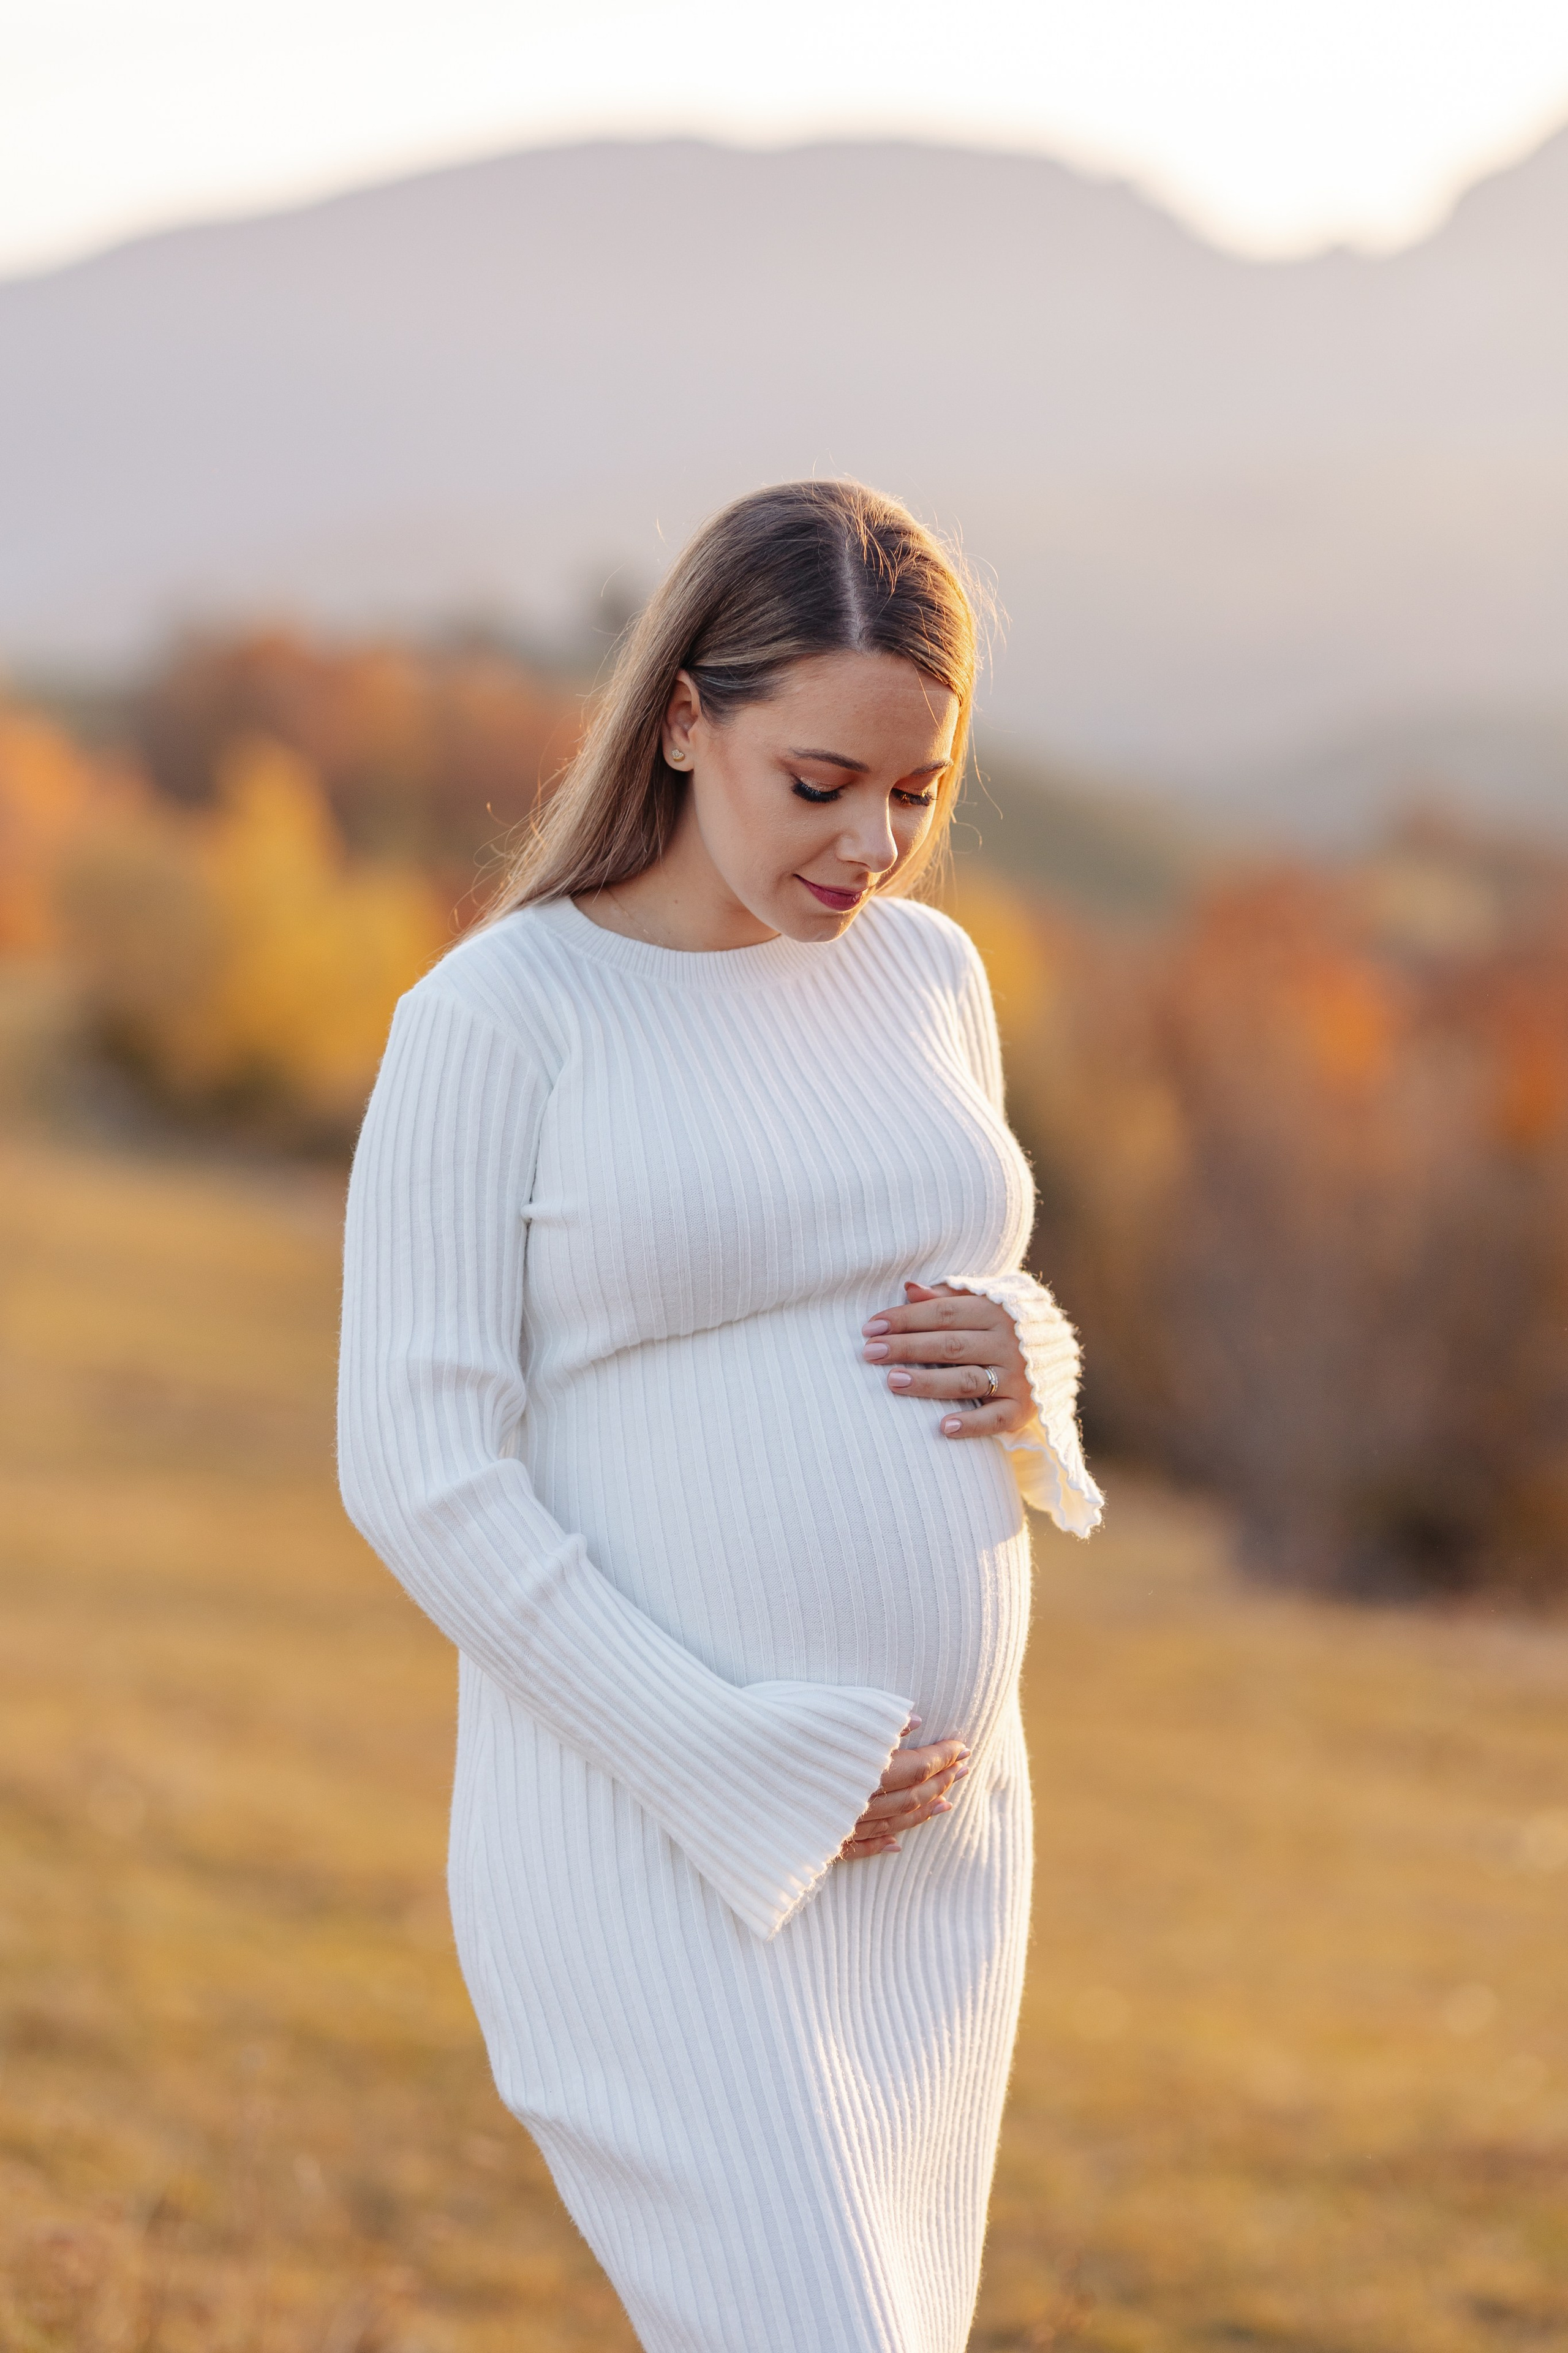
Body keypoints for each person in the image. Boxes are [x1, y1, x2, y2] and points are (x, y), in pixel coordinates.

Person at [337, 478, 1102, 2353]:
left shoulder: (929, 979)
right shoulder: (503, 1015)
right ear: (687, 720)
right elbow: (420, 1471)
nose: (874, 845)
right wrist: (738, 1758)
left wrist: (1032, 1356)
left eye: (917, 794)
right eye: (821, 780)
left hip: (934, 1852)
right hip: (658, 1837)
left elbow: (946, 1265)